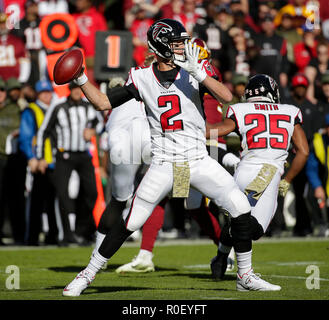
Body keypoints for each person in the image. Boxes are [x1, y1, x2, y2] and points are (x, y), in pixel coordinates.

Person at [63, 18, 281, 296]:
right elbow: (103, 102)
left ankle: (245, 276)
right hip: (165, 162)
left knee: (240, 209)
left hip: (199, 158)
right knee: (131, 221)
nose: (182, 46)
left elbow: (227, 98)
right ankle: (87, 274)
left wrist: (201, 75)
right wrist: (81, 78)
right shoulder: (141, 77)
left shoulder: (195, 69)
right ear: (161, 45)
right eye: (176, 42)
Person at [206, 74, 309, 279]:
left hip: (243, 170)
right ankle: (244, 275)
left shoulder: (241, 109)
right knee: (254, 229)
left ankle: (221, 256)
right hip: (268, 173)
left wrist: (190, 131)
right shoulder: (289, 111)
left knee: (239, 217)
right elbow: (303, 151)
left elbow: (219, 131)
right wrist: (287, 180)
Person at [36, 82, 102, 246]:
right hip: (64, 155)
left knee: (91, 193)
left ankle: (82, 230)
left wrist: (93, 131)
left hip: (84, 155)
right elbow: (44, 130)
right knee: (63, 194)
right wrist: (40, 157)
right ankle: (66, 235)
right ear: (69, 91)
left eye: (79, 89)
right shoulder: (59, 107)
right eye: (74, 89)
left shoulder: (89, 107)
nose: (77, 92)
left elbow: (100, 123)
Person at [19, 79, 58, 245]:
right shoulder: (32, 110)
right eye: (43, 93)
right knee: (36, 201)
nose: (46, 95)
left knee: (54, 201)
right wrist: (32, 158)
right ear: (37, 95)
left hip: (55, 162)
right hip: (39, 162)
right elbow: (26, 136)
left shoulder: (56, 109)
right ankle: (33, 237)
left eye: (48, 92)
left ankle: (53, 236)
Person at [0, 77, 26, 245]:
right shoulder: (5, 109)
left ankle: (19, 234)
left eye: (2, 90)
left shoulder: (19, 109)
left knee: (17, 197)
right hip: (1, 157)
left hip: (17, 157)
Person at [305, 113, 329, 237]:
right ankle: (322, 224)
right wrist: (318, 186)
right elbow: (311, 168)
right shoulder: (318, 142)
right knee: (310, 194)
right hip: (324, 178)